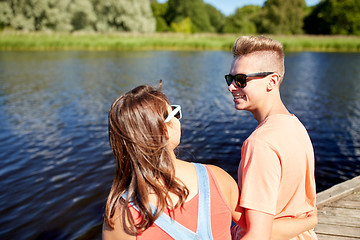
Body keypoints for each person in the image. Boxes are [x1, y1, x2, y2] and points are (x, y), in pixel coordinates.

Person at [102, 82, 317, 240]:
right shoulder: (216, 179)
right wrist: (307, 221)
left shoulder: (121, 214)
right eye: (173, 113)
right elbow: (260, 231)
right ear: (166, 130)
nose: (178, 118)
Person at [226, 36, 318, 239]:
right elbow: (308, 212)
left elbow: (258, 235)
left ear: (272, 81)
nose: (232, 87)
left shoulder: (260, 143)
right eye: (229, 79)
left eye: (241, 79)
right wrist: (311, 220)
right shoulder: (295, 126)